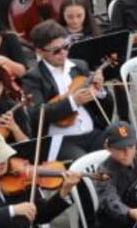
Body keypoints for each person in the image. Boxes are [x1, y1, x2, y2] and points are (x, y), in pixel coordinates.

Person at [22, 20, 113, 162]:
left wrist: (100, 90)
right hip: (62, 140)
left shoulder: (79, 66)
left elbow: (105, 107)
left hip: (92, 132)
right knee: (83, 163)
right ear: (40, 51)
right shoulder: (33, 77)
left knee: (122, 147)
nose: (63, 53)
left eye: (65, 46)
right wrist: (73, 102)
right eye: (56, 51)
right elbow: (36, 114)